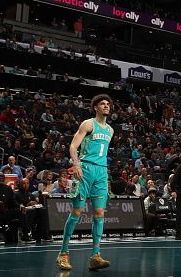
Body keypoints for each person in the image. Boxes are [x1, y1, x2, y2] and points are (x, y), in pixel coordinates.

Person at [56, 94, 114, 271]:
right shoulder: (88, 124)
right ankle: (63, 254)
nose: (106, 106)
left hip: (101, 172)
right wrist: (76, 164)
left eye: (108, 104)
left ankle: (95, 256)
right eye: (102, 104)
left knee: (99, 212)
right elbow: (73, 146)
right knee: (77, 210)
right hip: (85, 169)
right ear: (95, 107)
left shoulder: (111, 130)